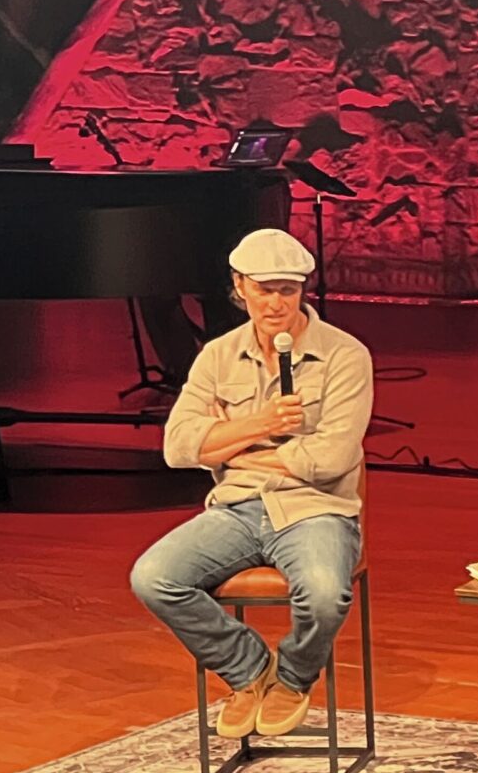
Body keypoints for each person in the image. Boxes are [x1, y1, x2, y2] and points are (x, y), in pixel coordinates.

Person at [130, 228, 373, 739]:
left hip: (316, 508)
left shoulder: (346, 355)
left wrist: (228, 447)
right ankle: (249, 670)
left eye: (287, 289)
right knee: (153, 577)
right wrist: (261, 426)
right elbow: (177, 448)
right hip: (236, 508)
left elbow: (331, 458)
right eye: (264, 289)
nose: (276, 303)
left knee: (326, 594)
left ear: (303, 289)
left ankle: (292, 676)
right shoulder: (218, 355)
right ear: (240, 287)